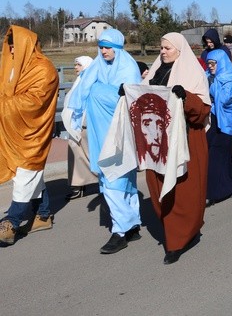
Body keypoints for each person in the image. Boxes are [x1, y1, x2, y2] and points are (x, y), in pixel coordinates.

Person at [66, 29, 142, 254]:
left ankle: (120, 231)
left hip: (121, 134)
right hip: (101, 133)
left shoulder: (128, 68)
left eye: (108, 47)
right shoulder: (97, 67)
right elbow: (85, 92)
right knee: (116, 180)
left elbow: (131, 99)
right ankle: (132, 224)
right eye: (101, 46)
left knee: (115, 181)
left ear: (118, 48)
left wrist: (98, 92)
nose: (104, 50)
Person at [143, 32, 212, 264]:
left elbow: (202, 111)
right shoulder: (155, 73)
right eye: (161, 48)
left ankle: (179, 239)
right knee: (159, 187)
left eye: (167, 48)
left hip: (186, 140)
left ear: (180, 51)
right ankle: (177, 231)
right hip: (158, 142)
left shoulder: (193, 73)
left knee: (184, 191)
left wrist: (187, 98)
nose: (162, 52)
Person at [0, 26, 59, 246]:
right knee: (29, 174)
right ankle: (43, 215)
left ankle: (11, 221)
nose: (11, 48)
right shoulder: (13, 67)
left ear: (27, 43)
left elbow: (33, 102)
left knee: (26, 173)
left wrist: (2, 104)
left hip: (33, 131)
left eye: (15, 43)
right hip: (13, 129)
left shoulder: (45, 69)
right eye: (9, 44)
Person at [204, 49, 232, 206]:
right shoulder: (210, 77)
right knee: (222, 158)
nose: (210, 67)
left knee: (216, 158)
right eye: (209, 64)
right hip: (214, 121)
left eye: (213, 64)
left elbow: (224, 99)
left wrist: (210, 89)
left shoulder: (230, 78)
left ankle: (212, 193)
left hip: (225, 124)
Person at [62, 55, 98, 200]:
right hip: (76, 126)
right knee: (75, 154)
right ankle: (77, 186)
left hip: (88, 125)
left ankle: (104, 183)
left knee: (92, 157)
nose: (75, 67)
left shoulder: (91, 81)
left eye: (78, 65)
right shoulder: (79, 81)